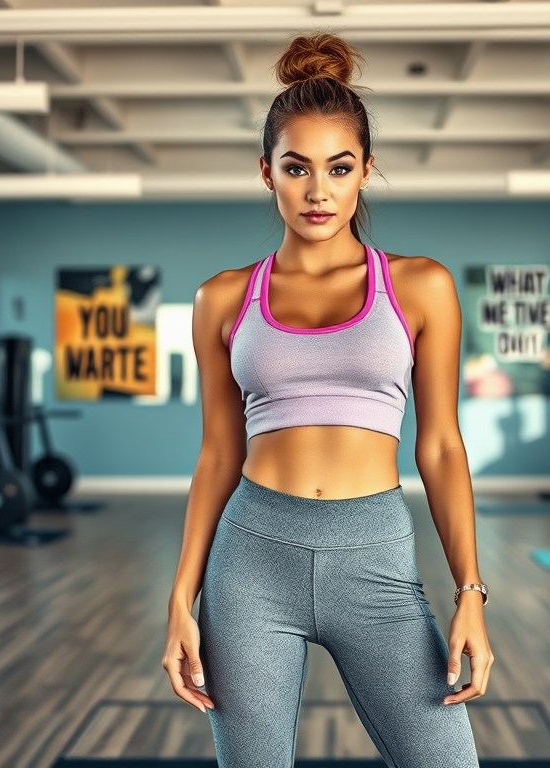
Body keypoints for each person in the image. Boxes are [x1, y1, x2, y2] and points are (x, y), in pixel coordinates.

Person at [162, 32, 494, 768]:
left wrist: (470, 589)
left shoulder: (421, 287)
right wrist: (180, 600)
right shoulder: (221, 298)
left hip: (375, 554)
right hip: (250, 560)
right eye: (297, 168)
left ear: (366, 170)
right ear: (267, 174)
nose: (318, 191)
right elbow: (219, 454)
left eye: (339, 168)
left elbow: (440, 446)